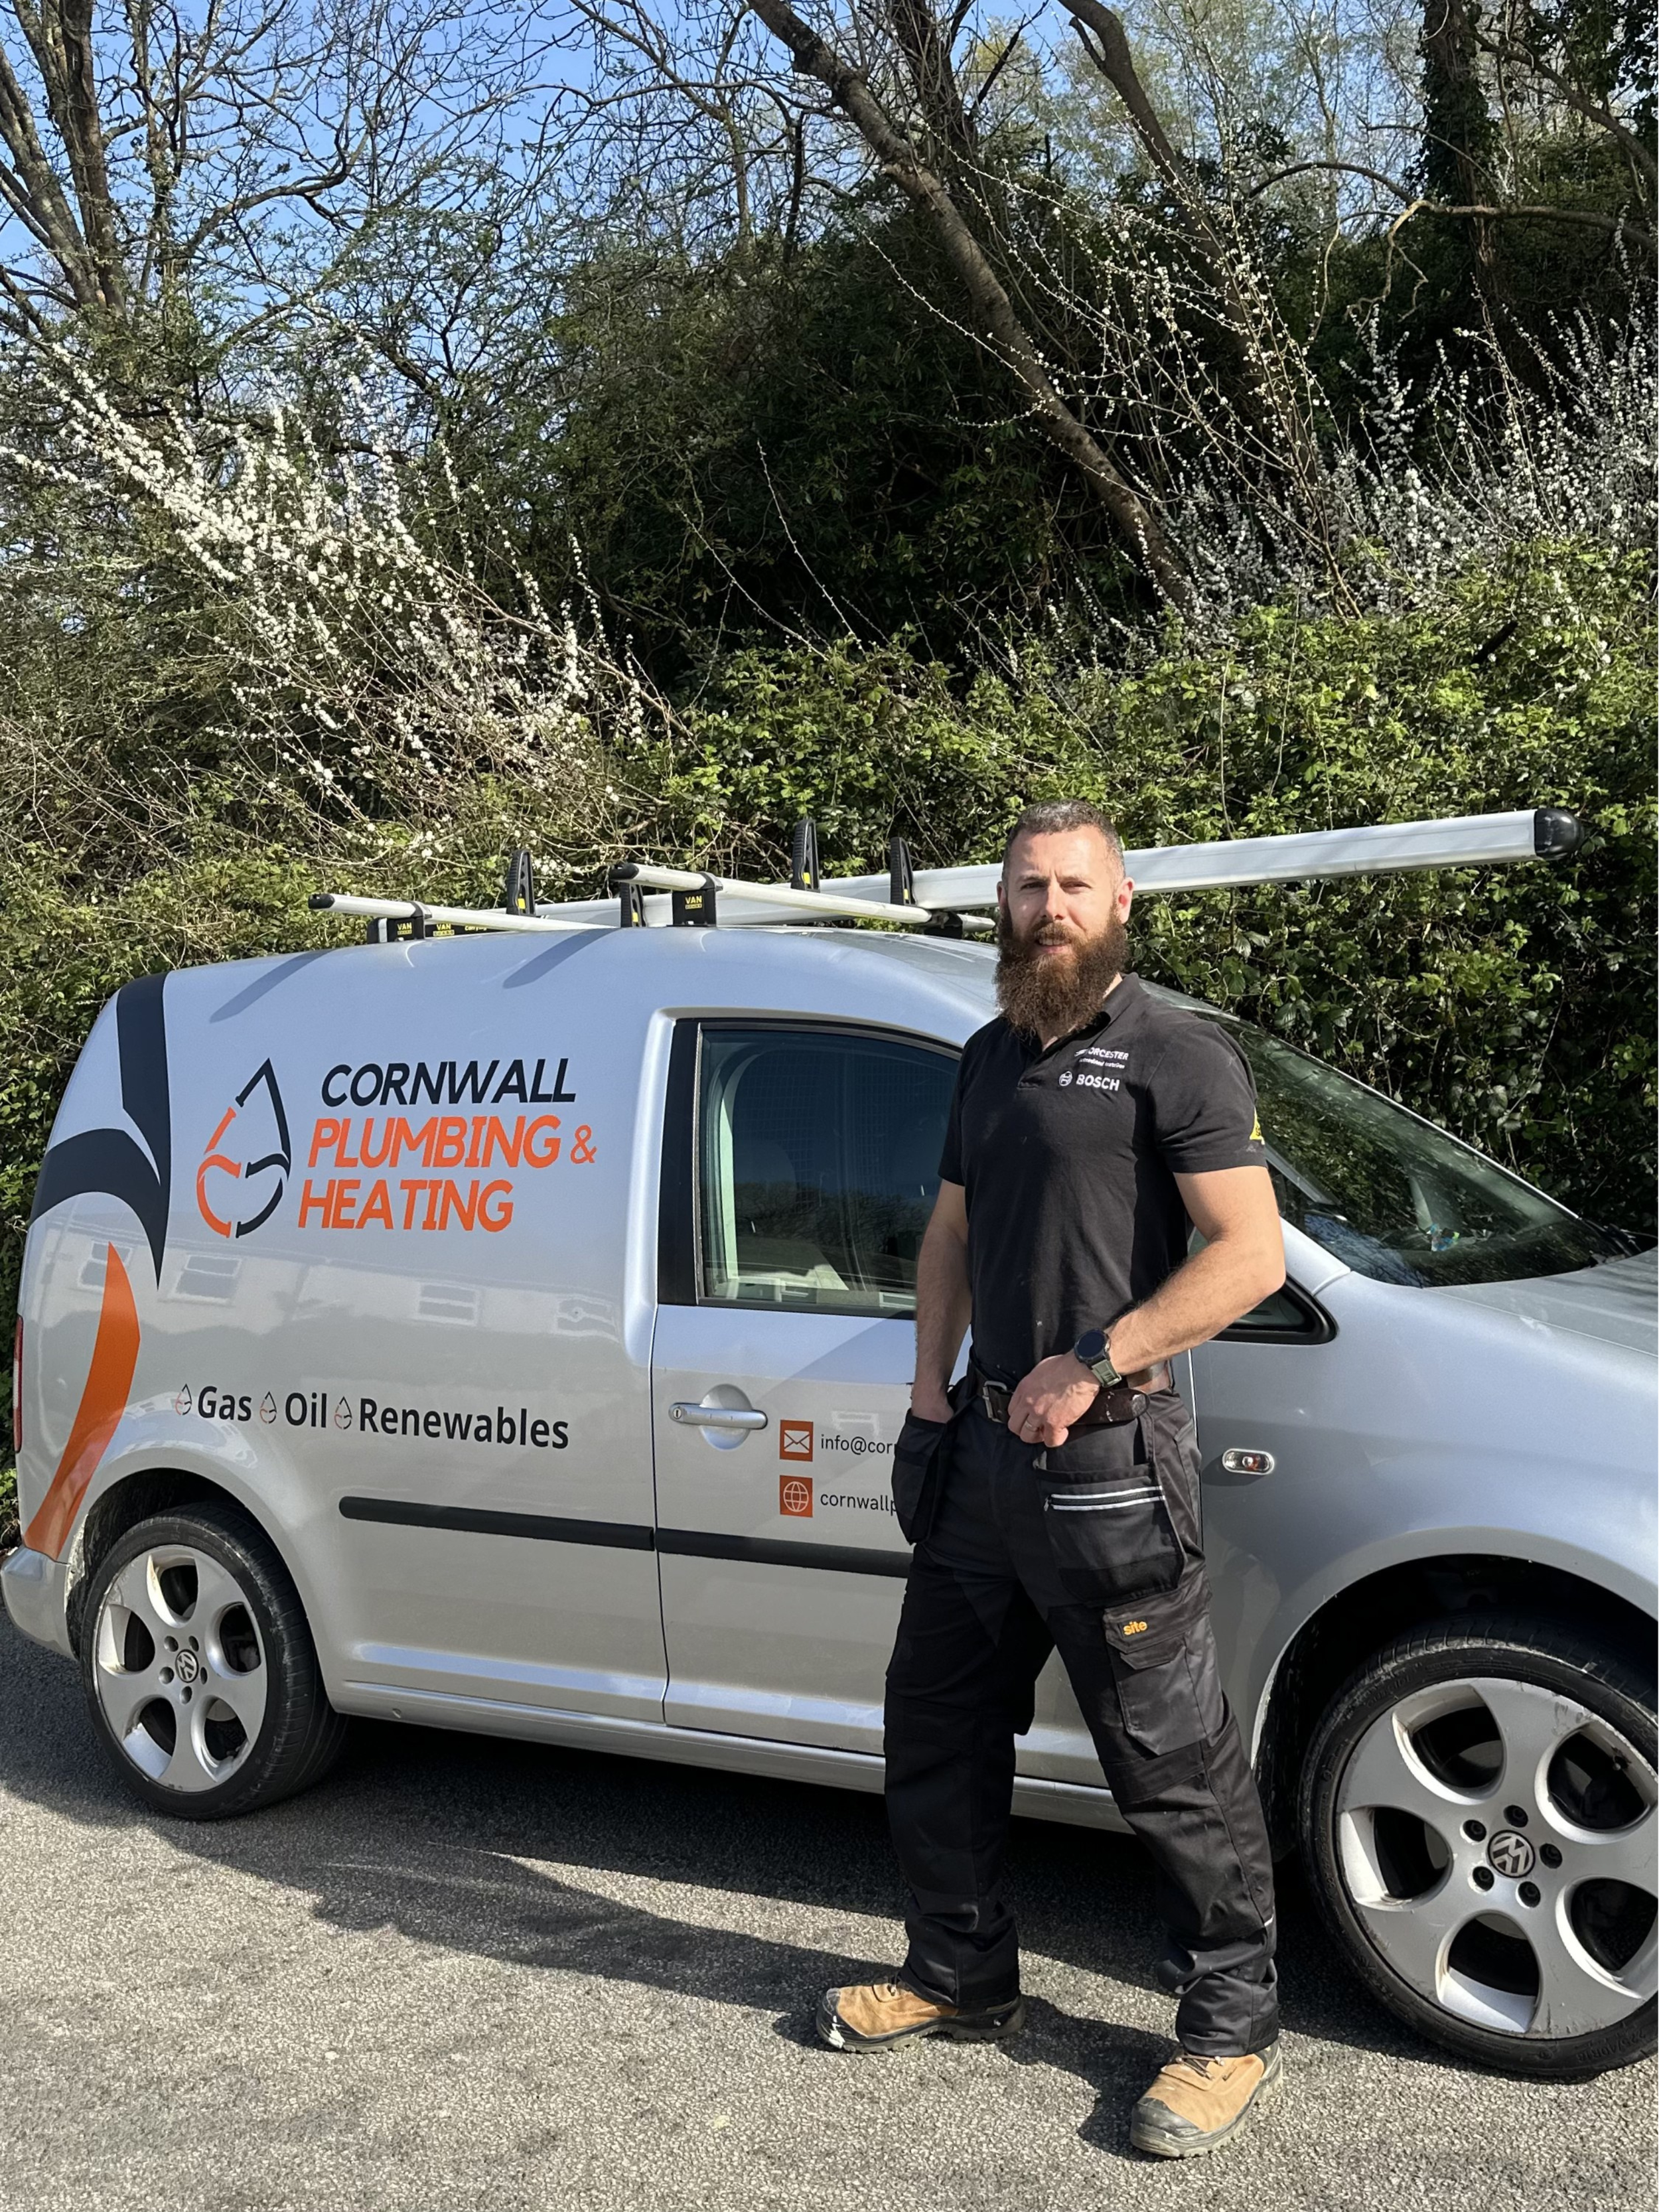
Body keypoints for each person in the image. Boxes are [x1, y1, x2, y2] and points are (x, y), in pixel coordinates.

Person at [817, 799, 1289, 2161]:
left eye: (1072, 886)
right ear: (1002, 904)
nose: (1047, 909)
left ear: (1120, 902)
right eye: (1027, 888)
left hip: (1107, 1463)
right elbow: (949, 1236)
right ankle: (959, 1975)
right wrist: (924, 1408)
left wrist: (1096, 1356)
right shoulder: (984, 1056)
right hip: (978, 1458)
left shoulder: (1174, 1053)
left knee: (1168, 1765)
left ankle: (1226, 2028)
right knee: (935, 1723)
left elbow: (1245, 1256)